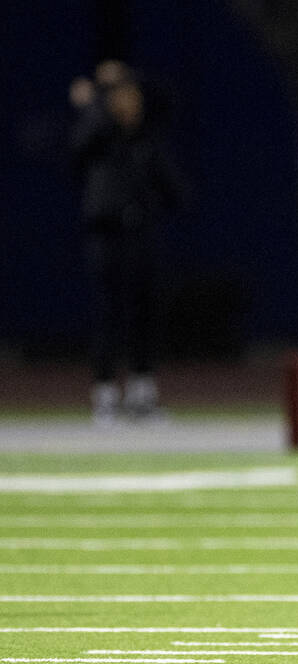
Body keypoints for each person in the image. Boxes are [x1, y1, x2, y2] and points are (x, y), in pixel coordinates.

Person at [69, 60, 181, 424]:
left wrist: (124, 76)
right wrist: (96, 103)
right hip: (107, 235)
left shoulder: (147, 138)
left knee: (145, 314)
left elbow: (166, 97)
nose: (129, 104)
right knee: (108, 314)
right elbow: (80, 144)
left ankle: (141, 394)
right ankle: (104, 395)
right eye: (120, 97)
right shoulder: (100, 137)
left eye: (132, 96)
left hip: (141, 234)